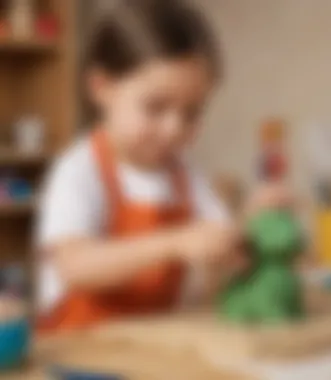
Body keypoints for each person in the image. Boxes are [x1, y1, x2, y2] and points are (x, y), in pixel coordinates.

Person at [35, 0, 285, 332]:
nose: (174, 129)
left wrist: (254, 221)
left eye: (192, 113)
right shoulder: (79, 170)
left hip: (149, 343)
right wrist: (176, 243)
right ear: (101, 88)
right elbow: (74, 266)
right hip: (77, 346)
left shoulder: (185, 175)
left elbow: (220, 246)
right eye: (155, 108)